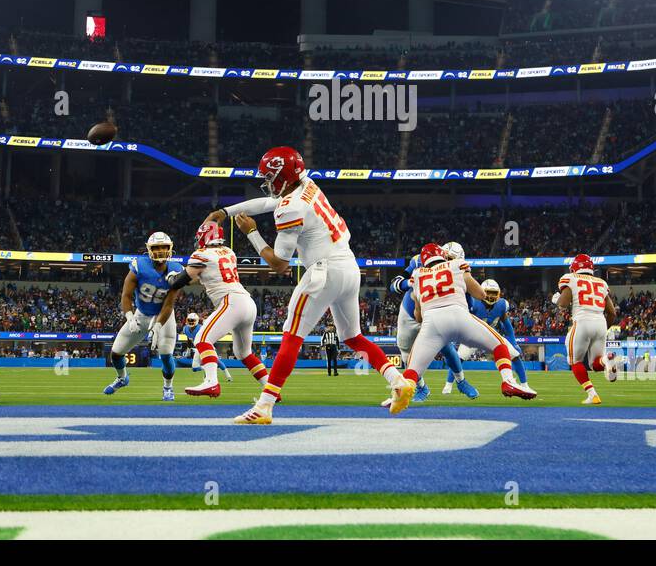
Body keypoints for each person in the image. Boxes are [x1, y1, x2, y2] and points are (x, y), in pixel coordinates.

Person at [207, 146, 412, 424]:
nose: (266, 182)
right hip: (348, 267)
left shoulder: (290, 207)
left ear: (282, 176)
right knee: (352, 336)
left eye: (270, 177)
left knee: (292, 334)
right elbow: (270, 203)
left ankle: (264, 407)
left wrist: (252, 233)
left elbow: (279, 264)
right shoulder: (307, 183)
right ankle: (398, 381)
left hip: (323, 272)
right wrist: (225, 212)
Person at [395, 243, 534, 413]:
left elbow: (418, 316)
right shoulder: (457, 264)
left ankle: (401, 394)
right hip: (459, 316)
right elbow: (480, 295)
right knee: (499, 345)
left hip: (432, 323)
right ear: (443, 255)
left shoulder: (417, 275)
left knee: (412, 369)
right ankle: (508, 381)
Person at [165, 221, 266, 397]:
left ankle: (211, 383)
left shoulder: (202, 254)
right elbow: (203, 276)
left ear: (204, 236)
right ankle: (271, 388)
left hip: (231, 302)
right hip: (247, 303)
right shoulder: (229, 252)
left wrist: (173, 277)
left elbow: (179, 282)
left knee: (202, 339)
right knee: (244, 353)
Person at [105, 232, 184, 400]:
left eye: (164, 247)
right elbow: (126, 296)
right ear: (149, 249)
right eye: (156, 247)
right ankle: (122, 378)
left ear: (170, 249)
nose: (161, 251)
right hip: (141, 314)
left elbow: (169, 304)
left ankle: (168, 387)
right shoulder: (139, 266)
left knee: (165, 354)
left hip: (164, 317)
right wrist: (129, 317)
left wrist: (157, 326)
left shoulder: (177, 270)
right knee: (116, 353)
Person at [553, 253, 617, 404]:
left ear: (575, 267)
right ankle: (606, 360)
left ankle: (592, 394)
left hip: (582, 321)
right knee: (595, 364)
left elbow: (562, 304)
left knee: (575, 362)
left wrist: (556, 299)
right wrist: (603, 330)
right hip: (600, 322)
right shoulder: (601, 282)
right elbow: (612, 313)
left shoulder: (570, 278)